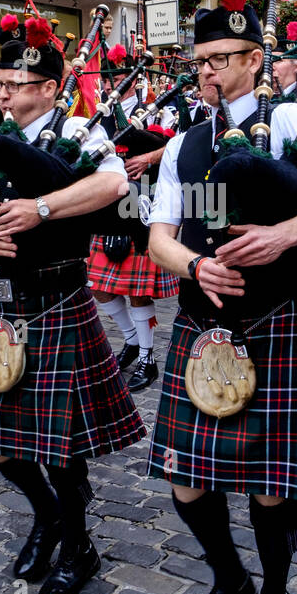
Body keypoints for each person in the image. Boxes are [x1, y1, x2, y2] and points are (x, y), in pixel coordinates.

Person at [146, 0, 297, 594]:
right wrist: (193, 264)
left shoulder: (290, 123)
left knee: (270, 487)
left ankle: (275, 592)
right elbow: (159, 235)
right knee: (186, 479)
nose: (209, 73)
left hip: (273, 320)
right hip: (200, 322)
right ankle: (230, 582)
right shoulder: (184, 144)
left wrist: (283, 235)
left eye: (222, 60)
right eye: (200, 62)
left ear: (253, 60)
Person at [0, 14, 145, 594]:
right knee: (3, 444)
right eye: (2, 83)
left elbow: (113, 186)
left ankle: (78, 546)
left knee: (60, 448)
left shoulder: (80, 132)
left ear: (47, 87)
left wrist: (41, 208)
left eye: (15, 83)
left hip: (60, 296)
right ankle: (48, 517)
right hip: (6, 307)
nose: (3, 91)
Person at [86, 45, 178, 391]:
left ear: (136, 75)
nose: (117, 82)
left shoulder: (157, 107)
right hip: (108, 208)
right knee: (100, 288)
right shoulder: (100, 115)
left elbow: (182, 144)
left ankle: (147, 357)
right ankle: (131, 339)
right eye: (112, 76)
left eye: (123, 74)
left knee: (138, 292)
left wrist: (150, 158)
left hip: (144, 208)